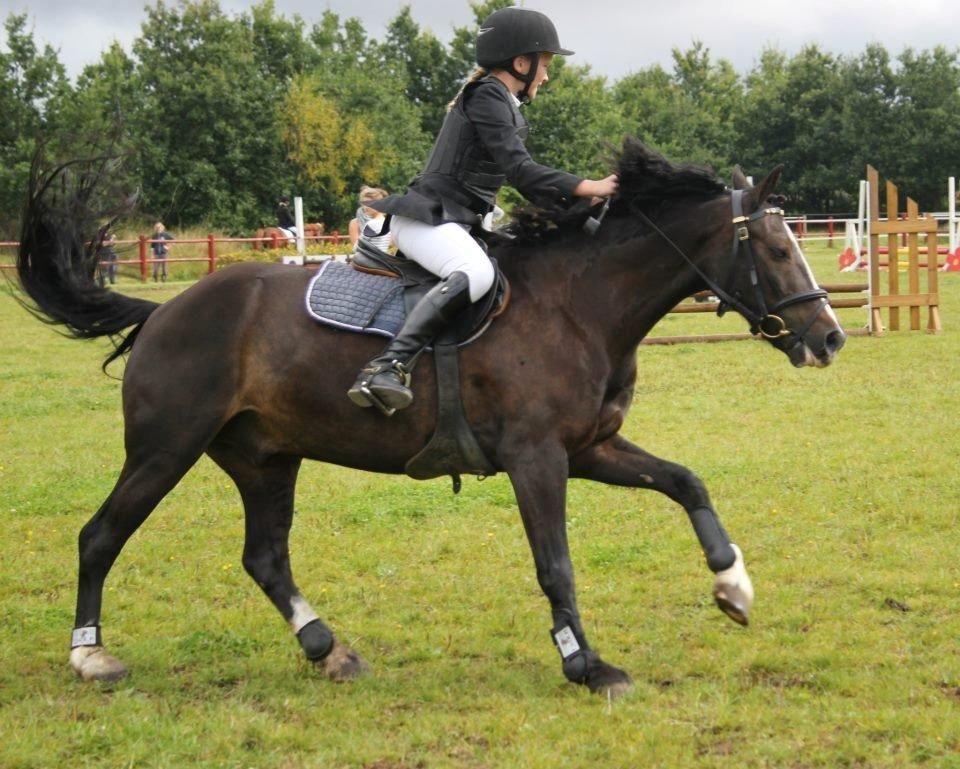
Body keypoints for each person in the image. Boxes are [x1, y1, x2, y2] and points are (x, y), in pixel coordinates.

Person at [347, 6, 618, 413]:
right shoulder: (489, 94)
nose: (546, 75)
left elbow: (524, 183)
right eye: (544, 65)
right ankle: (387, 366)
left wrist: (585, 202)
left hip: (454, 222)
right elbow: (522, 172)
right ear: (521, 63)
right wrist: (589, 185)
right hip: (426, 219)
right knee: (475, 273)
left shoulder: (503, 103)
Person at [348, 186, 392, 252]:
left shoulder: (372, 224)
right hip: (380, 260)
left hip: (369, 261)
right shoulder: (385, 222)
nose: (365, 207)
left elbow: (356, 248)